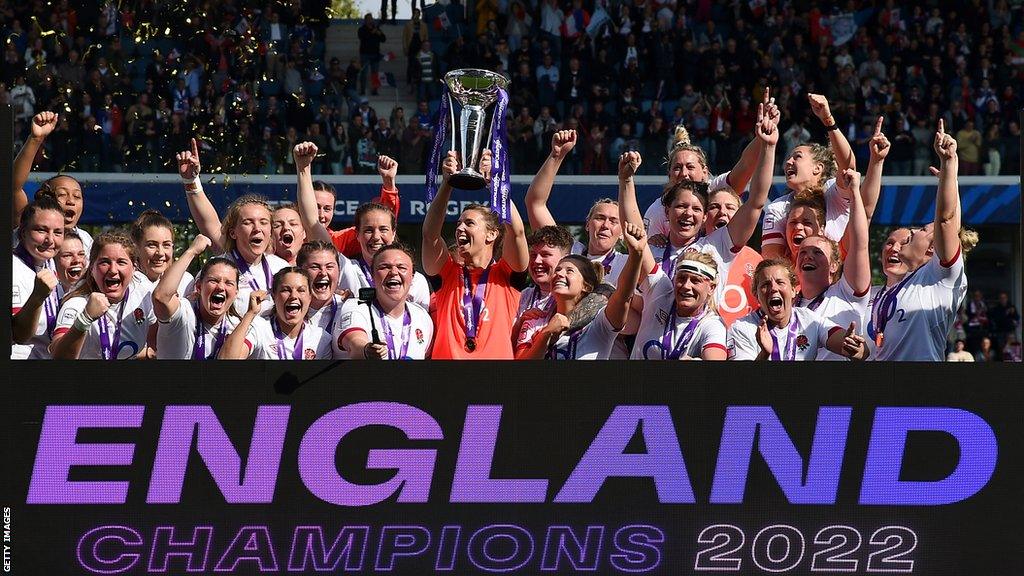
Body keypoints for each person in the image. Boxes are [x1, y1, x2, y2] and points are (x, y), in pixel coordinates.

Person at [618, 95, 778, 308]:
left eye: (697, 208)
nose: (684, 174)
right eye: (681, 207)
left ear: (705, 216)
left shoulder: (716, 239)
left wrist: (764, 143)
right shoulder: (657, 214)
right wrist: (626, 180)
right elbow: (635, 235)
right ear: (668, 212)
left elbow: (753, 193)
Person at [868, 120, 976, 361]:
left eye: (919, 232)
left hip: (923, 390)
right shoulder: (891, 290)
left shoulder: (939, 278)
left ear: (931, 249)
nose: (912, 234)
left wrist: (949, 164)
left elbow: (947, 221)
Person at [422, 150, 529, 359]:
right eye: (459, 223)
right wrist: (447, 183)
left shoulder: (506, 277)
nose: (460, 228)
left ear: (491, 234)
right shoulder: (448, 275)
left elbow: (516, 233)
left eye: (469, 223)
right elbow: (430, 236)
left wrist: (495, 186)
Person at [177, 138, 289, 313]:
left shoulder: (282, 269)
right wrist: (191, 181)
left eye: (263, 222)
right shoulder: (215, 269)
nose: (257, 228)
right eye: (248, 222)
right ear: (233, 232)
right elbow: (210, 223)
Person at [514, 222, 646, 360]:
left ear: (586, 286)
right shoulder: (536, 320)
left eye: (569, 271)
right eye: (558, 269)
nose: (559, 274)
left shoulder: (600, 323)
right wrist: (546, 334)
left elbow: (623, 295)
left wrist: (636, 254)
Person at [759, 94, 857, 261]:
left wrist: (828, 119)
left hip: (840, 282)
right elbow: (772, 260)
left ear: (817, 168)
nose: (788, 162)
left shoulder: (835, 193)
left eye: (797, 157)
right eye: (789, 157)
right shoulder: (777, 208)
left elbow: (848, 166)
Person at [524, 131, 629, 286]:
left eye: (613, 221)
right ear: (587, 224)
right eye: (599, 218)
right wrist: (556, 156)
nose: (605, 225)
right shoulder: (569, 251)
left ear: (621, 233)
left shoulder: (627, 263)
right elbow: (535, 203)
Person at [791, 168, 872, 360]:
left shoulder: (847, 292)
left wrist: (854, 193)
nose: (808, 256)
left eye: (817, 252)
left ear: (834, 265)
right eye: (802, 252)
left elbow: (859, 243)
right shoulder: (790, 304)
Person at [727, 259, 869, 361]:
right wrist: (764, 354)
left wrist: (854, 347)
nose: (773, 288)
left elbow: (862, 352)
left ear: (794, 290)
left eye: (780, 282)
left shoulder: (809, 320)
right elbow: (743, 383)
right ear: (756, 295)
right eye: (765, 284)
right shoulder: (741, 328)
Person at [50, 232, 157, 360]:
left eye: (121, 262)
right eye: (104, 262)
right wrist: (85, 319)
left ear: (134, 268)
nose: (112, 270)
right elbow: (58, 357)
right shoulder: (76, 304)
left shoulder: (143, 294)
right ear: (92, 268)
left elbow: (155, 344)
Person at [153, 235, 252, 359]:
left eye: (229, 283)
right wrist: (191, 251)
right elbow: (161, 297)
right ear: (199, 287)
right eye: (213, 280)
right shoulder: (184, 313)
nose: (221, 287)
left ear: (236, 292)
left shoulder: (236, 328)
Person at [12, 112, 94, 255]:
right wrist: (35, 139)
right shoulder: (29, 226)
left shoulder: (85, 240)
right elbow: (13, 187)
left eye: (77, 196)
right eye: (62, 194)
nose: (71, 201)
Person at [335, 243, 434, 359]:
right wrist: (367, 350)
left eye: (402, 267)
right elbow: (354, 344)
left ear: (412, 277)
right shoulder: (357, 306)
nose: (393, 272)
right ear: (373, 275)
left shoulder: (422, 316)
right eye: (384, 267)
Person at [219, 268, 334, 360]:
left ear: (310, 297)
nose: (294, 296)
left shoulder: (321, 338)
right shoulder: (260, 328)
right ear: (274, 296)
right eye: (286, 290)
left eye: (301, 290)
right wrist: (250, 314)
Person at [632, 251, 728, 360]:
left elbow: (717, 367)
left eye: (695, 281)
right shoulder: (661, 292)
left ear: (711, 288)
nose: (686, 286)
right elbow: (639, 247)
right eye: (682, 278)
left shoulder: (712, 324)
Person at [12, 196, 63, 359]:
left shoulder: (51, 263)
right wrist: (38, 296)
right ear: (23, 232)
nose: (50, 240)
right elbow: (19, 335)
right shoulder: (13, 268)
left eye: (58, 232)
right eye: (41, 230)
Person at [296, 241, 345, 353]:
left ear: (339, 271)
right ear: (300, 272)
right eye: (314, 267)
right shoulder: (287, 311)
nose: (323, 273)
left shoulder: (348, 309)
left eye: (329, 267)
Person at [129, 210, 193, 295]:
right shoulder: (126, 282)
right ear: (136, 248)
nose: (160, 253)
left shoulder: (185, 282)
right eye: (152, 245)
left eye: (166, 245)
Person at [517, 225, 574, 319]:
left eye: (545, 254)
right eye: (533, 255)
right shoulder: (523, 297)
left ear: (565, 259)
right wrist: (520, 323)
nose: (536, 260)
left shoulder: (573, 297)